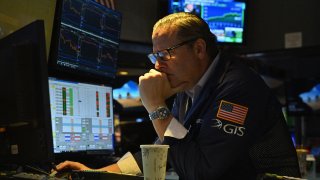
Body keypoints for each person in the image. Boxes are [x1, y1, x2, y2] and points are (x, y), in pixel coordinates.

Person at [55, 12, 301, 179]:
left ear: (199, 49)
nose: (157, 66)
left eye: (165, 54)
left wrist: (155, 106)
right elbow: (161, 151)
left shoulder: (238, 88)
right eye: (155, 56)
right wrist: (96, 175)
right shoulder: (188, 87)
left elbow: (203, 173)